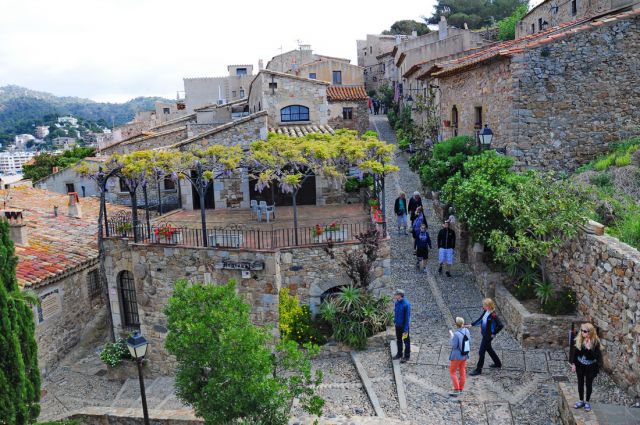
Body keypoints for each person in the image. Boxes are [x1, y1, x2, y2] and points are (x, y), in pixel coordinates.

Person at [571, 323, 602, 413]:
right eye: (581, 330)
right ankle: (581, 401)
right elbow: (576, 353)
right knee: (580, 383)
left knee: (589, 384)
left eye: (584, 331)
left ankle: (587, 402)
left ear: (590, 332)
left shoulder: (595, 342)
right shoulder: (580, 339)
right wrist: (574, 364)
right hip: (580, 365)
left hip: (590, 367)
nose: (582, 332)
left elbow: (597, 356)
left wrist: (589, 348)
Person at [468, 298, 503, 376]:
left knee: (481, 352)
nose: (483, 306)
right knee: (489, 349)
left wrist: (494, 333)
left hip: (488, 336)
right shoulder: (485, 312)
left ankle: (478, 369)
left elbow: (500, 325)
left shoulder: (493, 315)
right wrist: (471, 324)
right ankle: (498, 363)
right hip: (484, 334)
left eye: (484, 305)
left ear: (488, 306)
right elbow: (480, 320)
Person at [449, 317, 471, 397]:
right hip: (464, 355)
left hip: (457, 356)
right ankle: (461, 388)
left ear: (456, 324)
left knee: (452, 371)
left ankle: (456, 389)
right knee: (462, 370)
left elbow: (454, 346)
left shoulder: (456, 334)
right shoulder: (467, 331)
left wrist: (452, 338)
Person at [393, 289, 411, 363]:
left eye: (396, 294)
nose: (394, 295)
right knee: (399, 340)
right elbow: (396, 313)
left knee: (406, 342)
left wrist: (406, 329)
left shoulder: (406, 304)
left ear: (400, 295)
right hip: (398, 325)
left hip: (404, 327)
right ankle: (399, 354)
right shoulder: (397, 302)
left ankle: (406, 356)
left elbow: (407, 317)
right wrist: (395, 321)